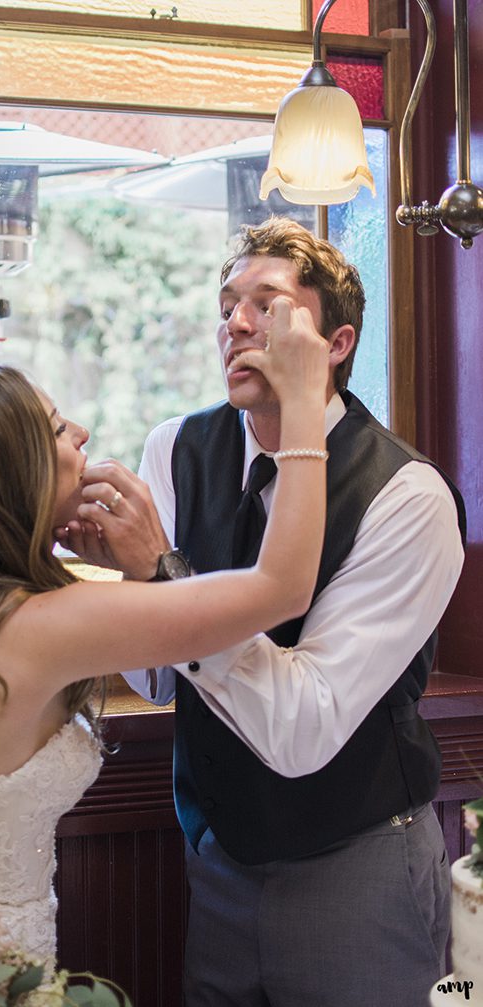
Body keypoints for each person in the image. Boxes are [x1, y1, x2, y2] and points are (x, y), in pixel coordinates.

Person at [0, 291, 334, 1007]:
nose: (85, 432)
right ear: (16, 476)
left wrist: (128, 569)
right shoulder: (45, 625)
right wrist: (306, 403)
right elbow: (282, 586)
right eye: (63, 429)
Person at [59, 218, 466, 1006]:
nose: (236, 323)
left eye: (267, 304)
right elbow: (156, 681)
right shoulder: (174, 448)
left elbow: (302, 726)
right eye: (227, 303)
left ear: (336, 343)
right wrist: (128, 584)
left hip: (357, 866)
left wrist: (161, 574)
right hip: (216, 859)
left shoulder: (408, 497)